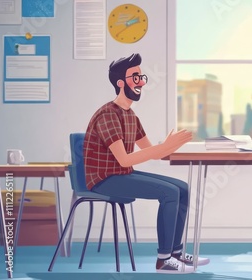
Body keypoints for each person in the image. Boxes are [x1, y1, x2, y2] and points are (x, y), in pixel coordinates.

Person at [83, 53, 209, 274]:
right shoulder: (108, 115)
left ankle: (176, 253)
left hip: (121, 174)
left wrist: (172, 146)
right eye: (135, 77)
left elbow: (151, 152)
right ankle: (163, 261)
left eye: (141, 76)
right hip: (104, 180)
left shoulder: (130, 115)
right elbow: (124, 159)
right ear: (120, 83)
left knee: (183, 188)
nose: (140, 81)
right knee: (170, 192)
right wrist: (164, 147)